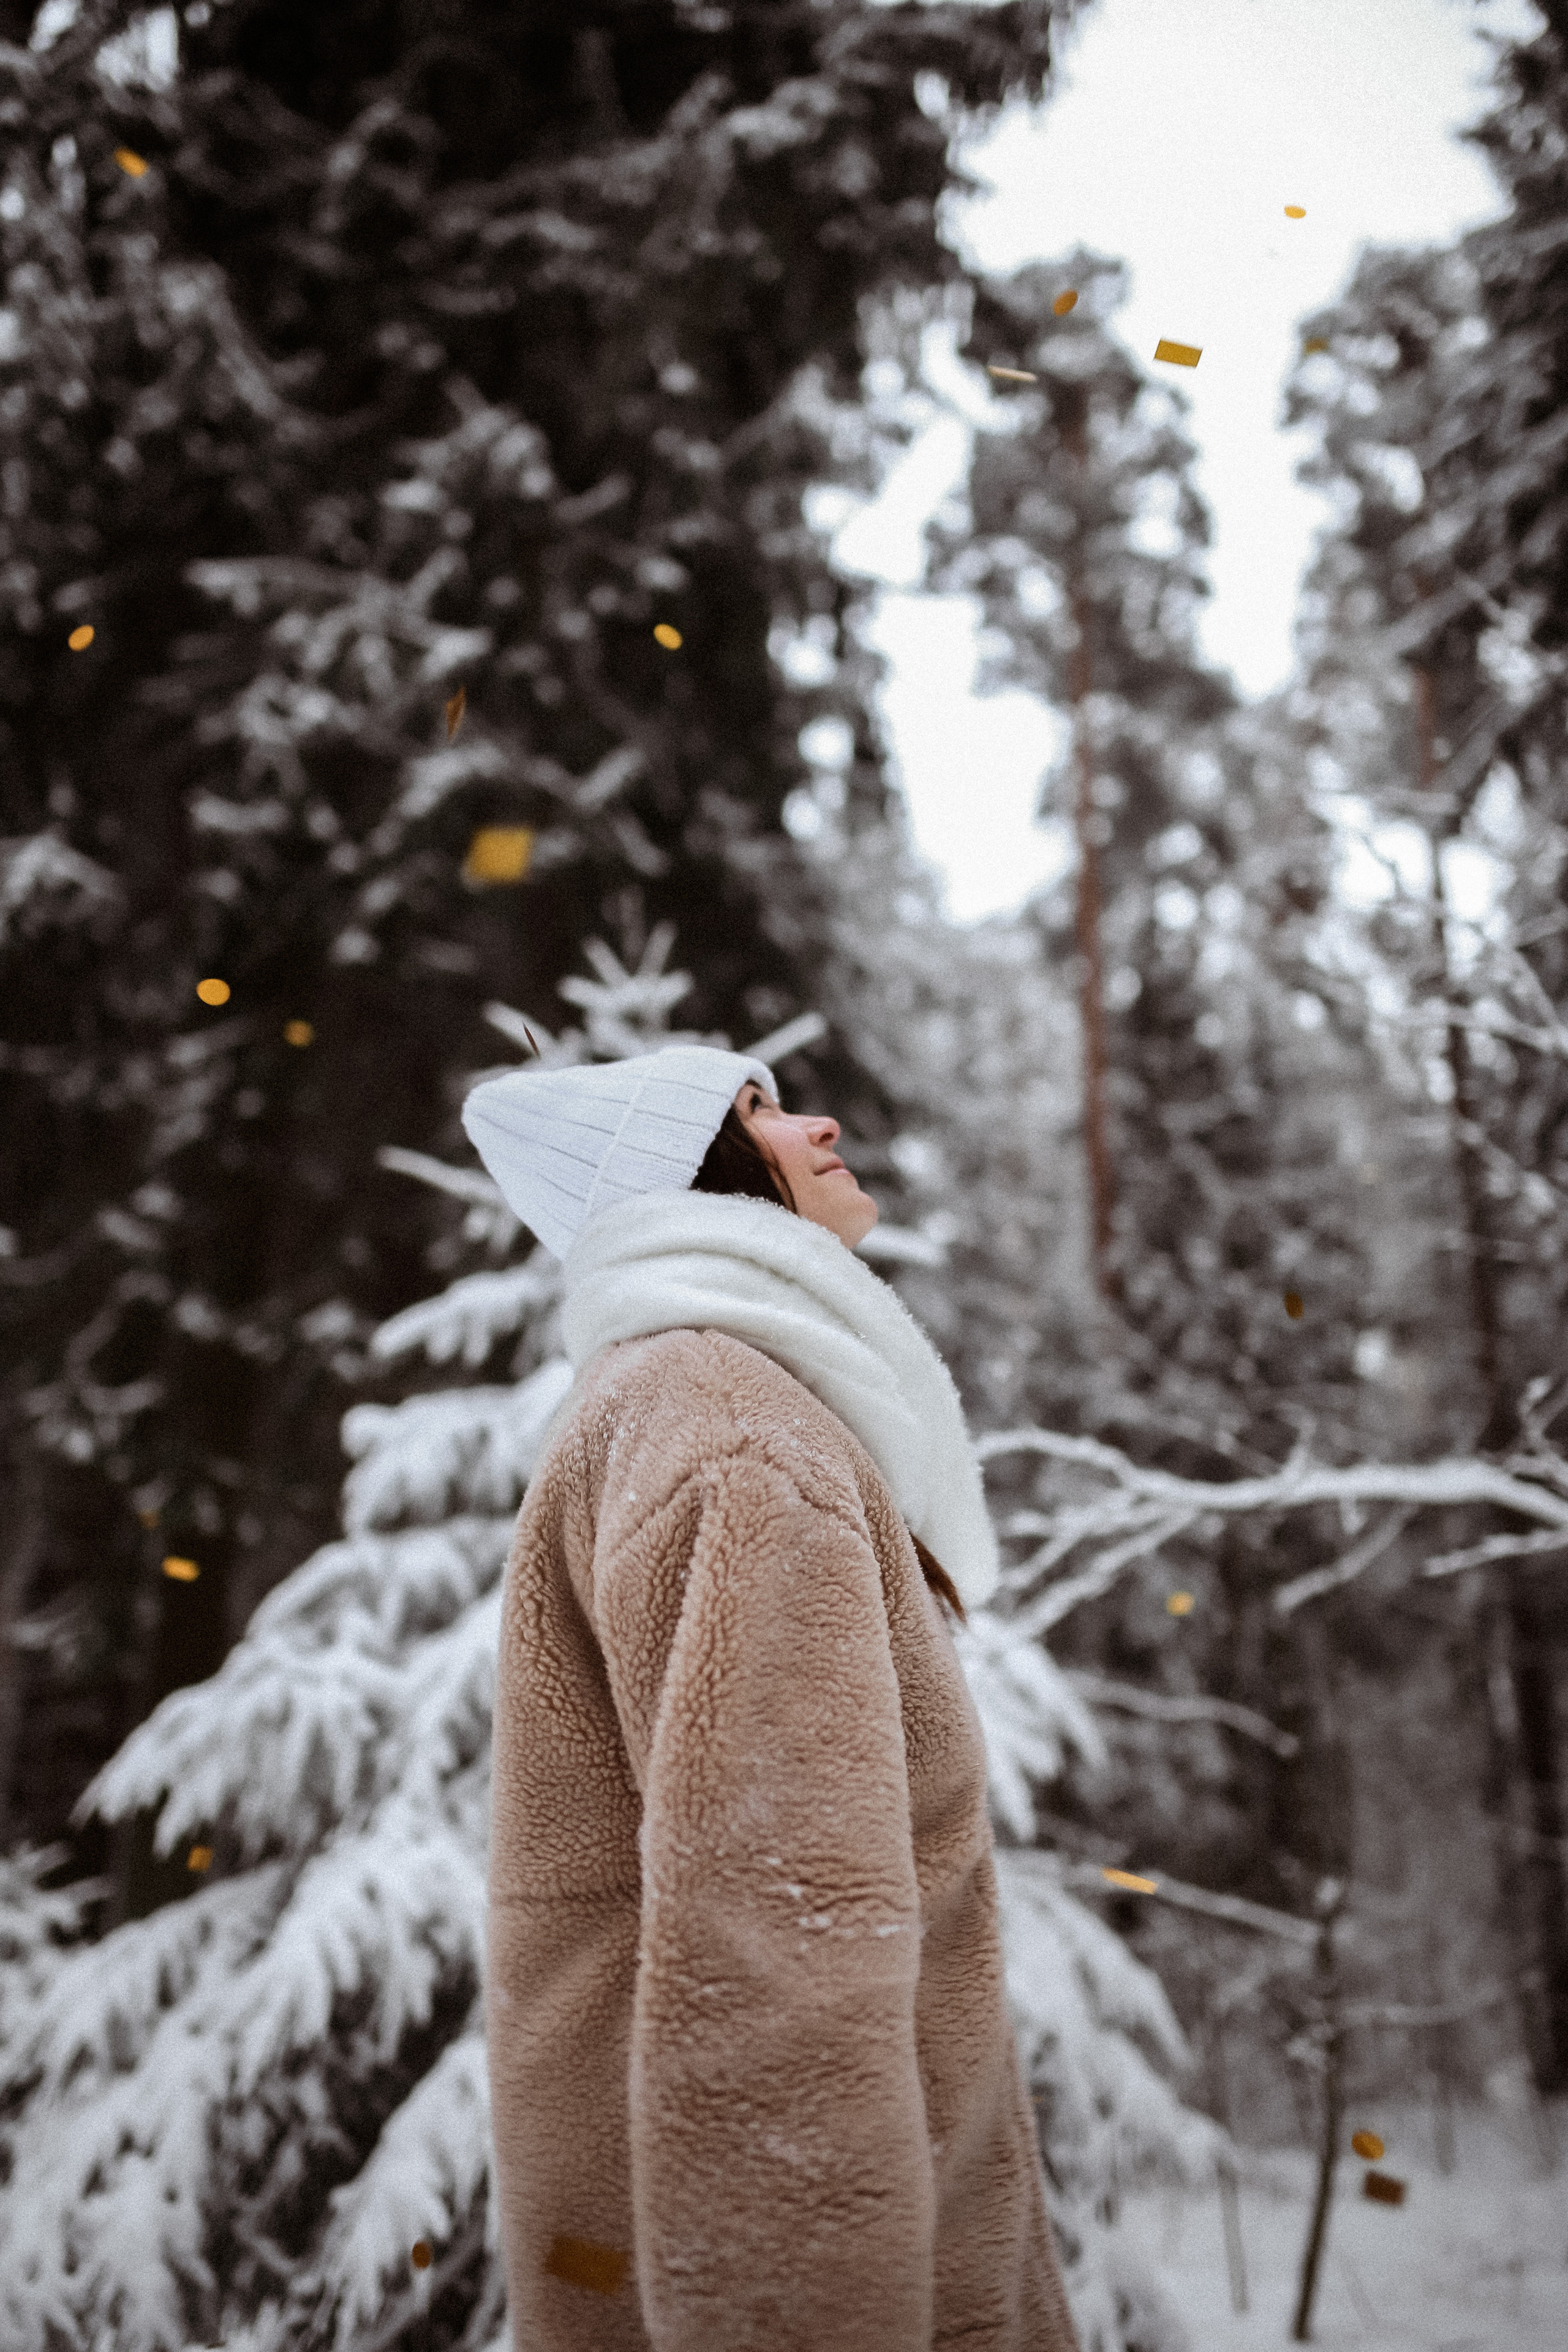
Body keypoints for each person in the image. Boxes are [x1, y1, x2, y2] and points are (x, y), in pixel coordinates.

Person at [462, 1042, 1082, 2352]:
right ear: (689, 1181)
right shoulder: (737, 1438)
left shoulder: (678, 1407)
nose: (817, 1124)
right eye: (756, 1115)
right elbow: (777, 1980)